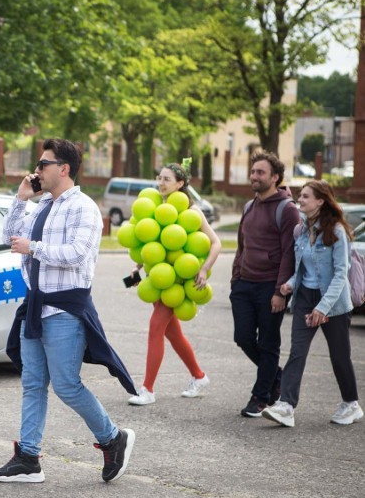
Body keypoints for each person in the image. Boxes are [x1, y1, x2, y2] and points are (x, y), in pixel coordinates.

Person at [0, 139, 136, 484]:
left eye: (43, 164)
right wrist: (21, 199)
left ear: (63, 168)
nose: (37, 170)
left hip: (65, 308)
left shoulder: (83, 207)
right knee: (33, 383)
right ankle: (27, 457)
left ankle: (113, 438)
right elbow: (11, 236)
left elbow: (77, 253)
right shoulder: (41, 206)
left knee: (67, 385)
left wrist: (34, 248)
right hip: (36, 305)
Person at [262, 181, 362, 427]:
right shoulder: (300, 231)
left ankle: (351, 404)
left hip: (333, 303)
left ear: (320, 201)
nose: (301, 199)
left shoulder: (337, 232)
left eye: (306, 196)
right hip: (305, 298)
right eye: (301, 195)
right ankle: (286, 405)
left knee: (339, 356)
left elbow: (341, 274)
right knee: (297, 351)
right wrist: (289, 284)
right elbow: (303, 269)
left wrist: (323, 308)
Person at [127, 161, 221, 405]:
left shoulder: (192, 212)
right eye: (159, 177)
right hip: (159, 280)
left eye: (167, 179)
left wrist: (204, 269)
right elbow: (152, 244)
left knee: (156, 328)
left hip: (178, 284)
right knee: (173, 334)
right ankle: (199, 377)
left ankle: (147, 389)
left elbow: (216, 243)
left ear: (180, 184)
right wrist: (137, 269)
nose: (161, 182)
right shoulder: (157, 208)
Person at [230, 151, 299, 418]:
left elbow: (289, 253)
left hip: (271, 286)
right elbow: (241, 245)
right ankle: (275, 375)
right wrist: (236, 276)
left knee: (269, 343)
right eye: (253, 171)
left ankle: (260, 397)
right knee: (243, 337)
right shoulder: (249, 206)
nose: (254, 176)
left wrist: (280, 291)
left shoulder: (287, 209)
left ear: (275, 177)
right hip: (244, 285)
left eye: (260, 172)